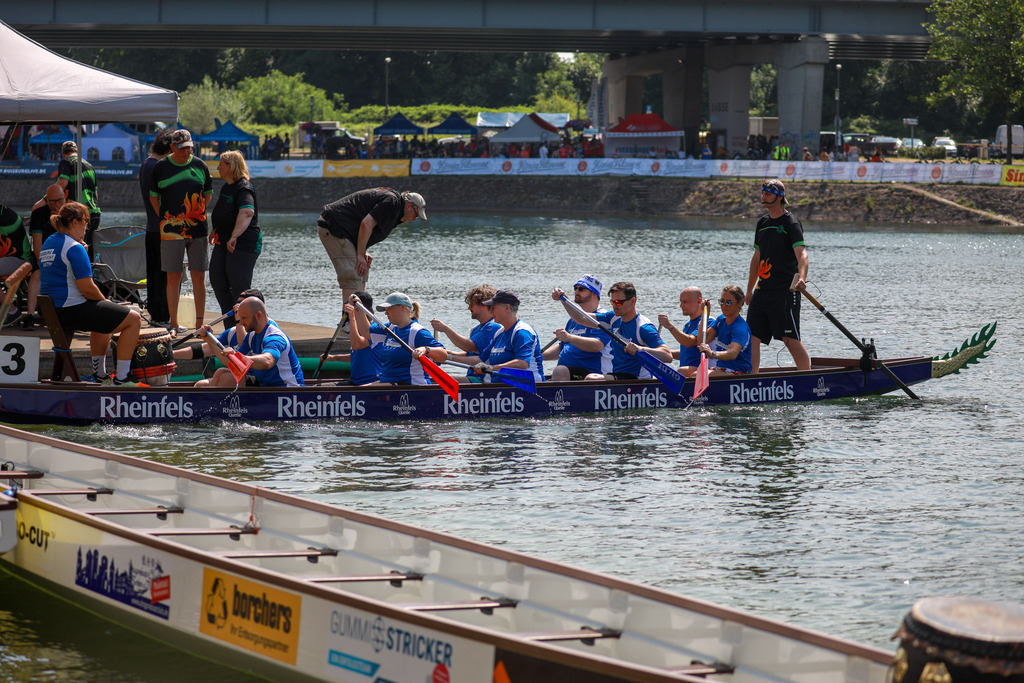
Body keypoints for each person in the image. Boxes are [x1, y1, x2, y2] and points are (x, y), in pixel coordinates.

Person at [39, 202, 143, 385]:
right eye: (85, 221)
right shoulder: (74, 248)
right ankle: (122, 378)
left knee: (101, 317)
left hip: (53, 310)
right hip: (70, 309)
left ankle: (100, 375)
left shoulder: (50, 242)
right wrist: (106, 303)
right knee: (134, 319)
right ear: (75, 222)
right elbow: (87, 288)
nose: (87, 227)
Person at [316, 187, 427, 311]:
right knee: (352, 274)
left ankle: (358, 320)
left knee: (362, 271)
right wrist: (359, 254)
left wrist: (364, 251)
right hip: (333, 227)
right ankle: (347, 324)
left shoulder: (396, 212)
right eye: (415, 215)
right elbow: (366, 224)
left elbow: (364, 226)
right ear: (409, 206)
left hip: (346, 231)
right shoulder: (391, 202)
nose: (413, 219)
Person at [149, 129, 213, 336]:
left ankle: (200, 323)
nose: (187, 152)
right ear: (172, 148)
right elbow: (154, 198)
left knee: (198, 276)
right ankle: (174, 322)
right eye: (183, 148)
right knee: (173, 276)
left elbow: (207, 196)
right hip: (170, 232)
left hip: (198, 229)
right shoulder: (160, 168)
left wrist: (193, 216)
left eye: (190, 148)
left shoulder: (200, 165)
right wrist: (168, 220)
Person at [745, 179, 811, 373]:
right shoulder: (762, 223)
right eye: (762, 193)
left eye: (767, 194)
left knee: (789, 338)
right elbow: (757, 258)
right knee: (752, 338)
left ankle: (806, 377)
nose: (763, 197)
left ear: (779, 197)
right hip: (762, 291)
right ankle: (751, 381)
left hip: (785, 291)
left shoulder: (791, 222)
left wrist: (802, 278)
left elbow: (802, 254)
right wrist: (749, 288)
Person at [557, 281, 671, 381]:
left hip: (636, 379)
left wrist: (640, 349)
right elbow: (581, 318)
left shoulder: (643, 327)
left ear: (632, 301)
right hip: (616, 374)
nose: (615, 306)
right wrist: (564, 300)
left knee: (591, 379)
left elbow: (667, 355)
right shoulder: (613, 318)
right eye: (612, 302)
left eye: (619, 302)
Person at [195, 296, 303, 387]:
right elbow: (231, 362)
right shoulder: (251, 335)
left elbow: (267, 361)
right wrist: (209, 340)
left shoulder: (274, 337)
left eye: (244, 318)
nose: (241, 323)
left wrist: (238, 357)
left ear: (258, 315)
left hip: (288, 392)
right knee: (220, 373)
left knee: (227, 379)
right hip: (266, 386)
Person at [209, 151, 261, 330]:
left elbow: (247, 212)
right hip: (222, 243)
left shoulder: (244, 187)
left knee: (239, 289)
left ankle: (246, 328)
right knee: (218, 280)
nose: (218, 167)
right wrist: (215, 229)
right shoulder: (226, 187)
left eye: (221, 164)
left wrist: (234, 236)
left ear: (231, 166)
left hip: (242, 245)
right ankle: (230, 328)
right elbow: (224, 212)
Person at [450, 290, 545, 384]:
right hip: (500, 391)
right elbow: (480, 359)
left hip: (525, 388)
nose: (490, 311)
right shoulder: (499, 333)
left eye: (493, 307)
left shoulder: (522, 332)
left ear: (507, 308)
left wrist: (491, 368)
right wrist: (448, 357)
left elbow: (522, 363)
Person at [545, 274, 612, 381]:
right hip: (567, 374)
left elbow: (597, 346)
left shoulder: (603, 318)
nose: (577, 291)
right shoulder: (573, 319)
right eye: (575, 288)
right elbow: (562, 348)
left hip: (591, 373)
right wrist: (537, 355)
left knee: (560, 370)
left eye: (581, 289)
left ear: (594, 294)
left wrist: (570, 338)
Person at [371, 292, 447, 385]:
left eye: (389, 308)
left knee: (363, 393)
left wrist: (425, 349)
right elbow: (365, 332)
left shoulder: (417, 332)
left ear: (403, 307)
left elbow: (443, 355)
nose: (386, 313)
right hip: (390, 383)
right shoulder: (390, 329)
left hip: (410, 385)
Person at [429, 284, 501, 383]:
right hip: (473, 376)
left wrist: (445, 329)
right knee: (433, 380)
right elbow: (470, 354)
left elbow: (468, 346)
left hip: (484, 379)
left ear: (484, 305)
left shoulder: (494, 327)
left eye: (472, 304)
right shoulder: (475, 329)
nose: (469, 308)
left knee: (434, 381)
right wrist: (446, 353)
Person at [173, 287, 266, 362]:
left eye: (242, 304)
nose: (237, 307)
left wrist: (238, 321)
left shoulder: (263, 332)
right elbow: (206, 349)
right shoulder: (232, 332)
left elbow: (245, 347)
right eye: (237, 304)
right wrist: (171, 354)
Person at [139, 129, 172, 326]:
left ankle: (156, 314)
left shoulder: (146, 164)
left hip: (151, 227)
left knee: (153, 274)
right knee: (164, 274)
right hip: (162, 228)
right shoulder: (158, 166)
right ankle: (162, 315)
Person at [323, 291, 386, 386]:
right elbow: (357, 355)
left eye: (355, 309)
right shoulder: (356, 329)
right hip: (355, 381)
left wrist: (352, 318)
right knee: (318, 388)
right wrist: (334, 358)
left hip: (370, 382)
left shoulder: (374, 331)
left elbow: (357, 345)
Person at [55, 140, 101, 259]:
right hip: (95, 212)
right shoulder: (89, 165)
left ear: (63, 153)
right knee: (89, 250)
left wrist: (47, 198)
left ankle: (77, 275)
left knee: (77, 248)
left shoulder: (66, 162)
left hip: (79, 213)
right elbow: (96, 193)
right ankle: (90, 275)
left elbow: (62, 183)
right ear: (77, 151)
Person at [698, 285, 752, 375]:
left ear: (740, 303)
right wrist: (705, 314)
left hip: (738, 373)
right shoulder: (721, 321)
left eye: (728, 302)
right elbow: (701, 341)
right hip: (721, 369)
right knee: (684, 372)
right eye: (722, 301)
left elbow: (733, 353)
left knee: (696, 375)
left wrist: (712, 354)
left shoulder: (740, 328)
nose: (724, 306)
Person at [657, 286, 705, 377]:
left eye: (685, 302)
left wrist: (670, 326)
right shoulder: (687, 325)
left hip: (700, 372)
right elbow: (685, 352)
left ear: (699, 301)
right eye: (681, 302)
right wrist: (663, 354)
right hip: (687, 371)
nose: (681, 306)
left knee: (681, 371)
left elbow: (689, 342)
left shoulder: (706, 322)